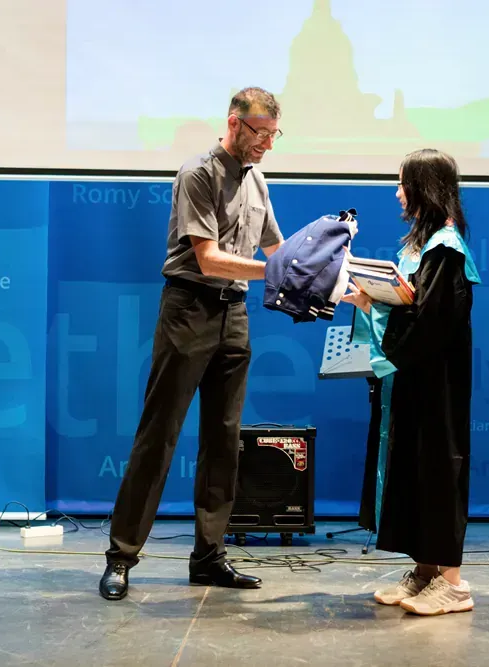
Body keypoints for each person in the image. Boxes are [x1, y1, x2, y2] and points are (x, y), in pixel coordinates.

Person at [99, 87, 285, 601]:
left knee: (224, 439)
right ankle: (120, 556)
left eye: (274, 135)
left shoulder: (258, 181)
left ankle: (208, 557)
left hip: (235, 314)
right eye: (260, 133)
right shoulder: (198, 173)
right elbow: (208, 258)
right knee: (158, 435)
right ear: (234, 123)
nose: (267, 144)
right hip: (189, 308)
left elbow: (278, 249)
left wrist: (320, 271)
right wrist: (283, 271)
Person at [342, 148, 481, 616]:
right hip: (410, 383)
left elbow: (430, 321)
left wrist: (376, 306)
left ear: (424, 187)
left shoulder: (446, 249)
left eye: (403, 183)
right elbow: (408, 307)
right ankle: (425, 572)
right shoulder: (415, 248)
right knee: (412, 472)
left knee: (439, 471)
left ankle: (454, 584)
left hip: (436, 384)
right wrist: (373, 298)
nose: (397, 192)